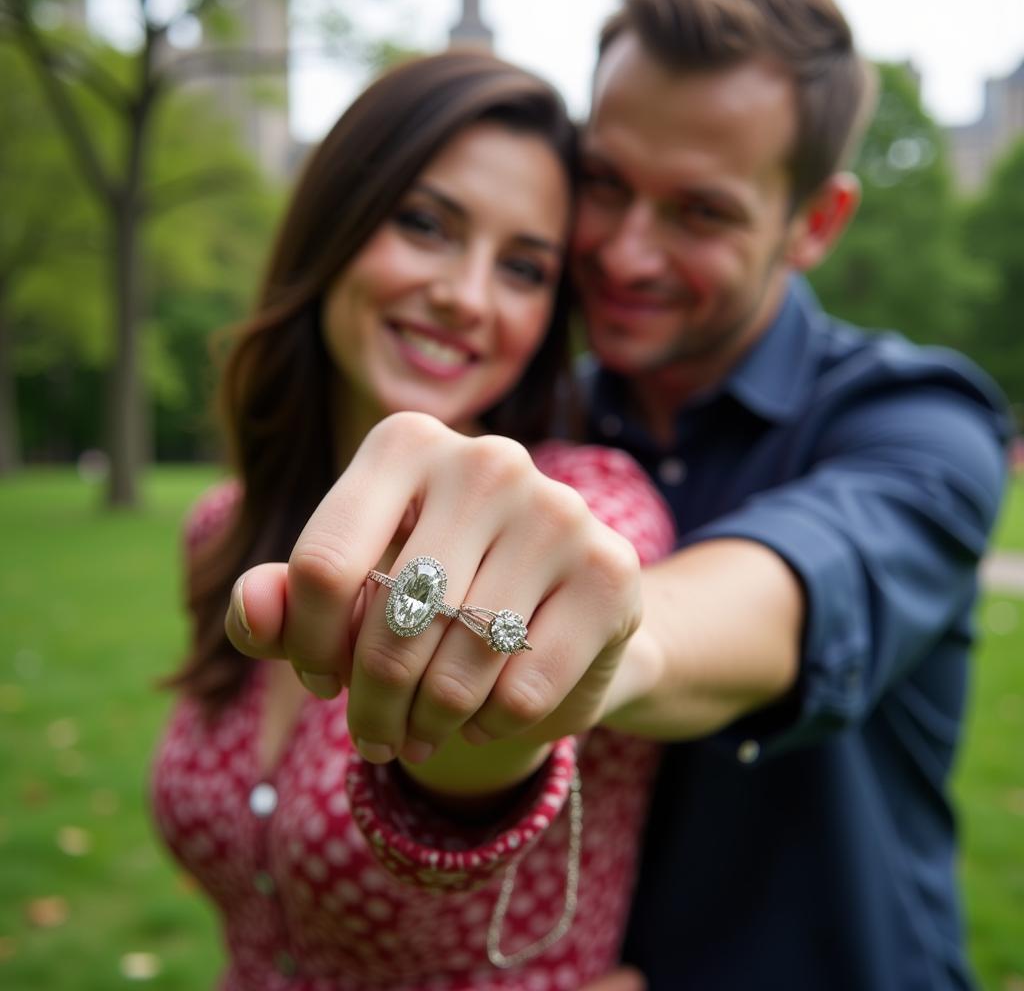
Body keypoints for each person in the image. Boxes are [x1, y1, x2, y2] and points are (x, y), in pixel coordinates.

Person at [230, 0, 1011, 989]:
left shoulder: (919, 424)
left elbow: (783, 596)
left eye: (698, 211)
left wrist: (599, 643)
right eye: (604, 184)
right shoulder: (530, 423)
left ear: (814, 222)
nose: (623, 251)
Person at [152, 51, 676, 990]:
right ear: (336, 225)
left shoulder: (584, 509)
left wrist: (500, 722)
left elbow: (585, 619)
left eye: (523, 267)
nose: (467, 296)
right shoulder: (223, 526)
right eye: (428, 225)